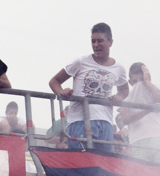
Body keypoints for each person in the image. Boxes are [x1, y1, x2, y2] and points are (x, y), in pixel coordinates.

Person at [49, 22, 129, 151]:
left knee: (104, 163)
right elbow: (54, 81)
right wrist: (61, 92)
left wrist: (120, 96)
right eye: (93, 41)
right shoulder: (81, 61)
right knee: (79, 160)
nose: (96, 45)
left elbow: (124, 89)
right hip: (79, 120)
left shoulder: (118, 68)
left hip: (105, 122)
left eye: (100, 41)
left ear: (110, 42)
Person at [120, 61, 160, 161]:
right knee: (142, 175)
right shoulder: (127, 98)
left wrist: (148, 82)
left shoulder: (153, 90)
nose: (139, 84)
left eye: (141, 80)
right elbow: (125, 118)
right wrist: (148, 110)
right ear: (130, 82)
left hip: (159, 137)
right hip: (138, 141)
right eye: (135, 81)